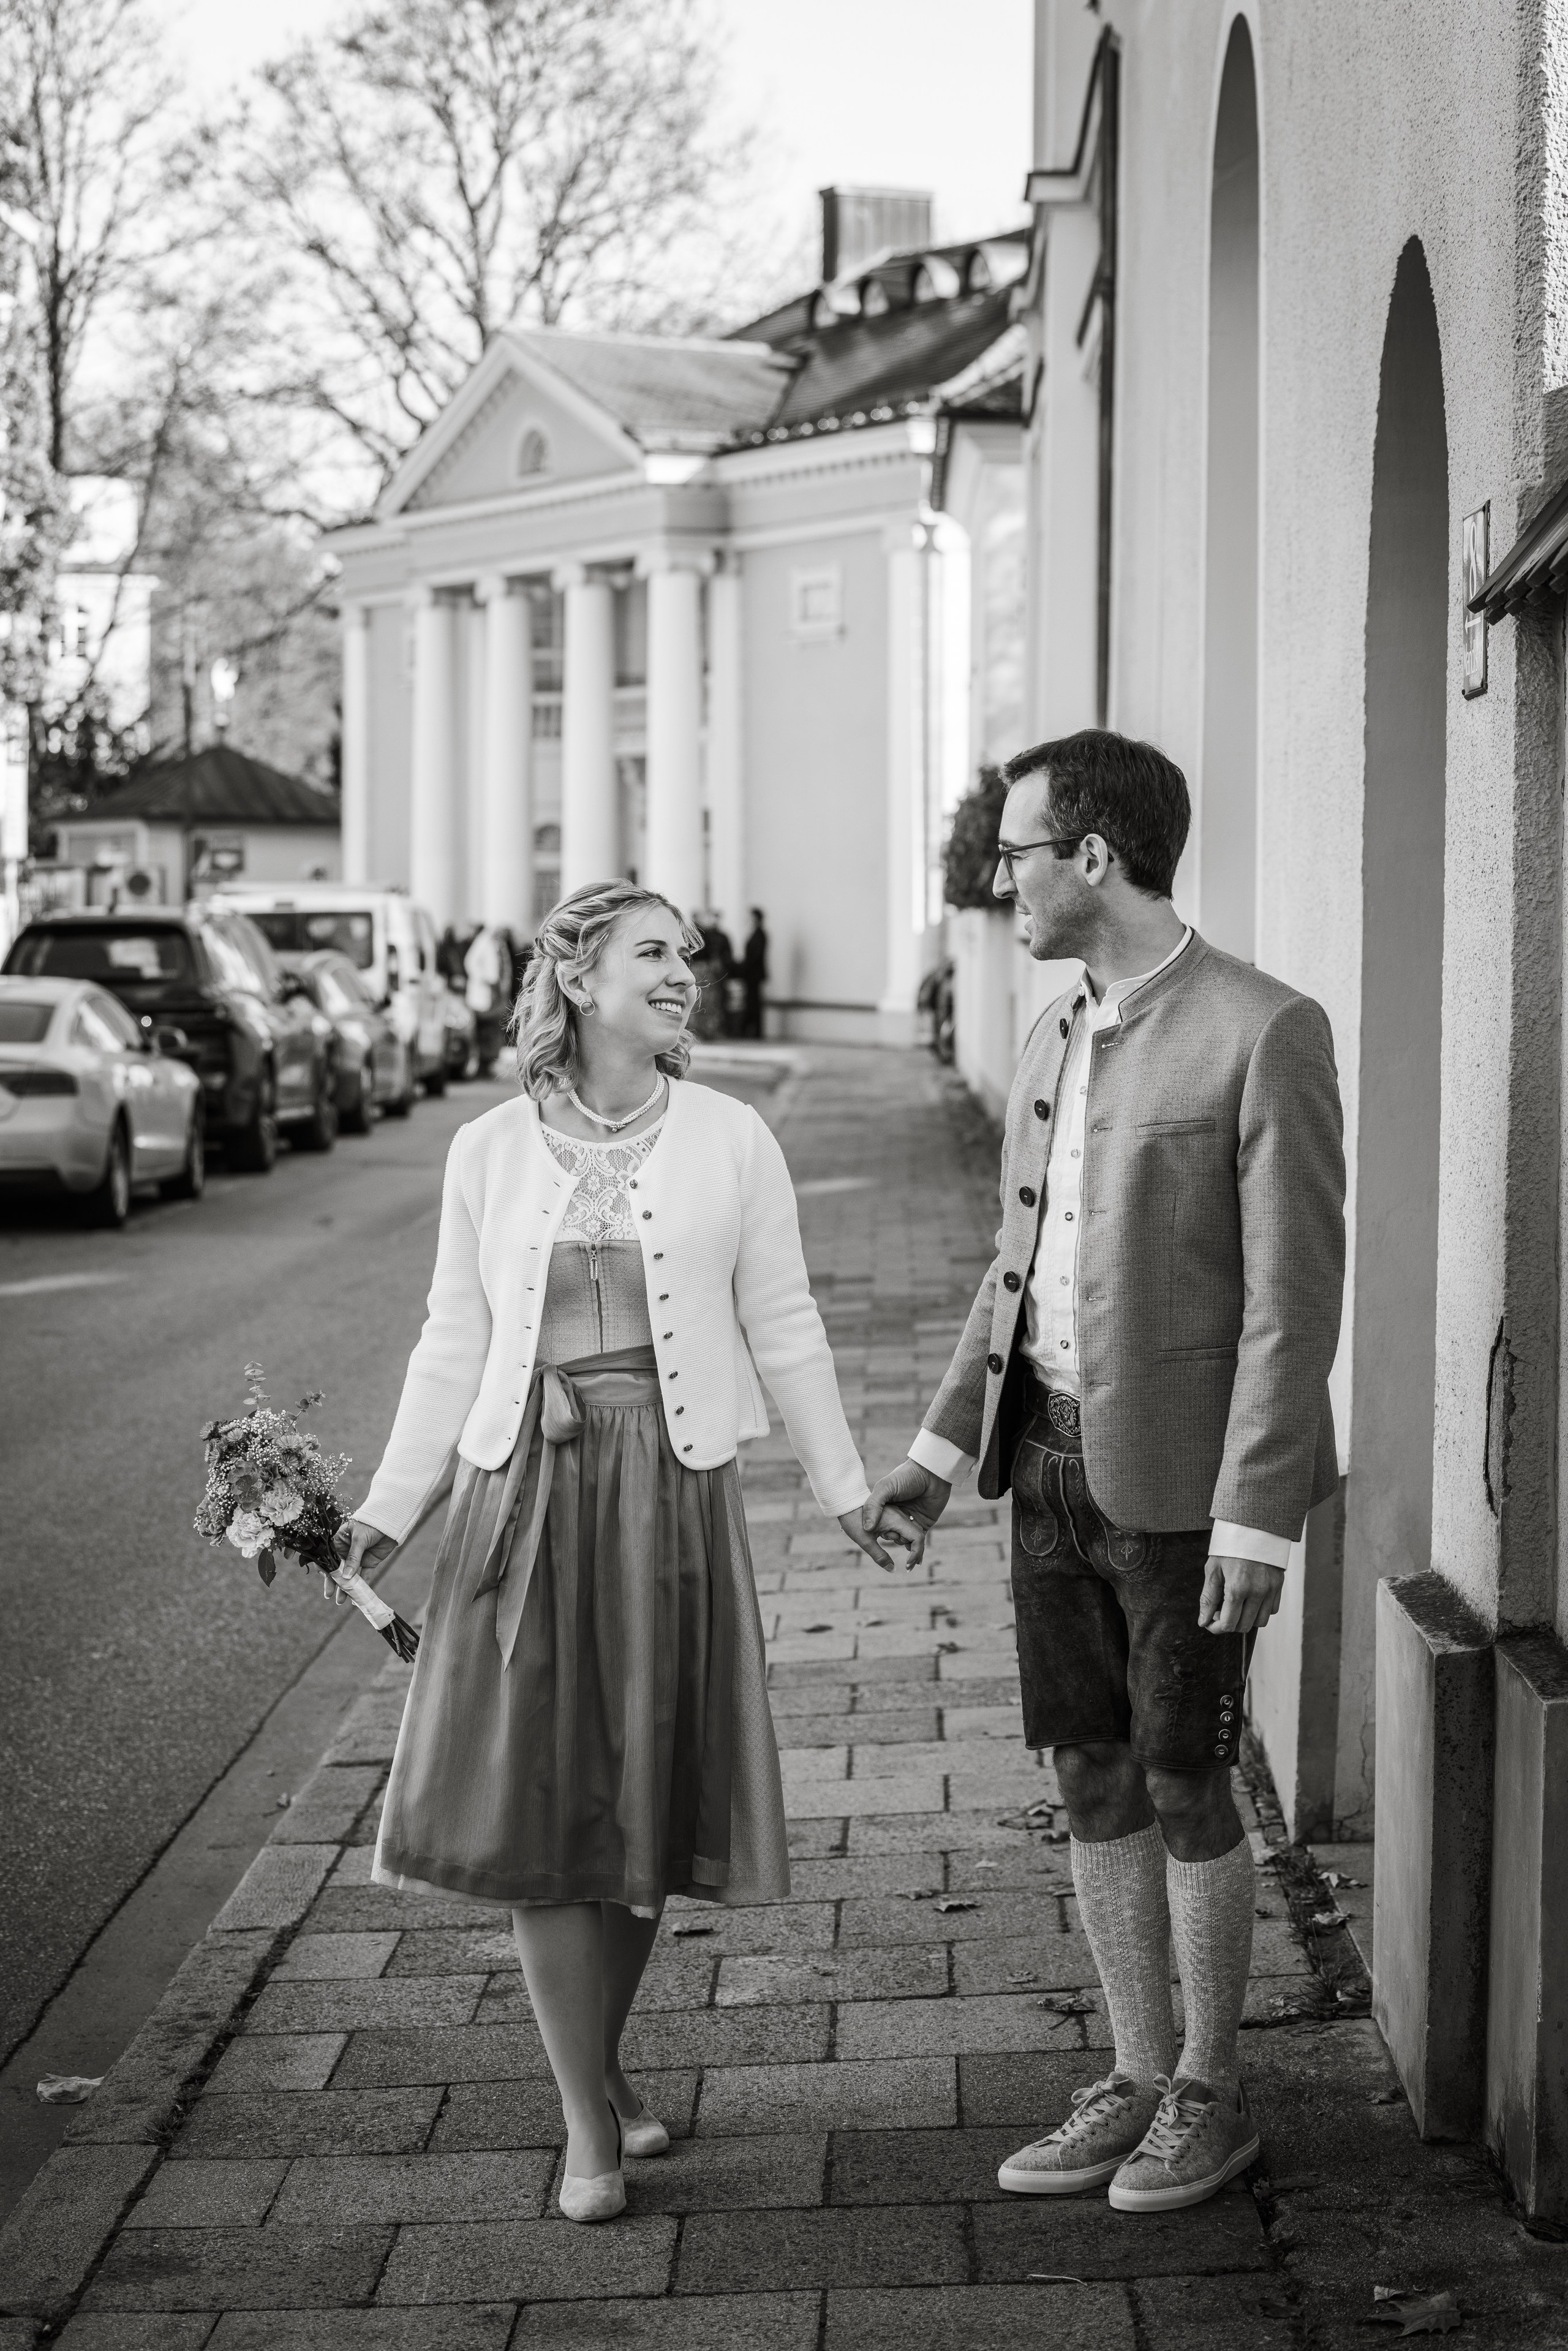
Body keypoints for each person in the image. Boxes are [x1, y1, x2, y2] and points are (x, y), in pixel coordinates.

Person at [334, 880, 891, 2225]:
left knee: (642, 1805)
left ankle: (599, 2061)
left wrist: (848, 1486)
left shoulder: (731, 1138)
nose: (683, 971)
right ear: (576, 978)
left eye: (688, 955)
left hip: (668, 1490)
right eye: (653, 951)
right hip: (519, 1496)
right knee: (541, 1808)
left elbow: (786, 1317)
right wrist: (385, 1510)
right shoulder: (486, 1147)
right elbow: (451, 1341)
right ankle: (589, 2116)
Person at [866, 730, 1344, 2215]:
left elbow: (1291, 1299)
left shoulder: (1263, 1028)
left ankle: (1210, 2086)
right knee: (1086, 1771)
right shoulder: (1050, 1032)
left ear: (1091, 856)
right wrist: (938, 1454)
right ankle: (1133, 2071)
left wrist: (1258, 1515)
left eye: (1012, 851)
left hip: (1186, 1489)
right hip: (1049, 1465)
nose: (990, 875)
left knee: (1186, 1775)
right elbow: (1010, 1273)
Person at [688, 908, 733, 1043]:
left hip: (702, 970)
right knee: (700, 1001)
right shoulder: (699, 933)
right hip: (700, 969)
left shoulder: (707, 933)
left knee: (705, 1001)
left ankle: (706, 1031)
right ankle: (701, 1031)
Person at [740, 907, 768, 1040]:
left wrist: (745, 966)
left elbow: (755, 956)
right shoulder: (756, 933)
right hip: (751, 973)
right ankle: (751, 1030)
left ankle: (755, 1031)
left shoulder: (760, 934)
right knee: (752, 1001)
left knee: (754, 1002)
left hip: (754, 974)